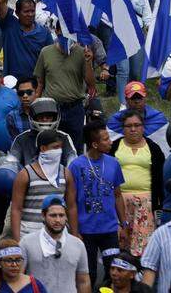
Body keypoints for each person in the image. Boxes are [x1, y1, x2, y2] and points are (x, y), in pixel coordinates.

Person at [69, 121, 127, 282]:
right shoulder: (75, 166)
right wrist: (74, 232)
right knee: (89, 274)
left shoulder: (113, 163)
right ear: (94, 144)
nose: (110, 142)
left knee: (113, 272)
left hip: (109, 231)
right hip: (86, 232)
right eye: (106, 139)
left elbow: (117, 195)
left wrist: (124, 225)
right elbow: (71, 202)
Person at [109, 110, 164, 257]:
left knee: (142, 249)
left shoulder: (153, 148)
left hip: (145, 205)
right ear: (123, 128)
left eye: (137, 125)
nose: (133, 129)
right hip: (118, 203)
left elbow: (160, 178)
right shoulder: (113, 147)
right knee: (119, 245)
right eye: (128, 126)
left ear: (143, 127)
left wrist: (159, 204)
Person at [6, 129, 78, 241]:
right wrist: (17, 240)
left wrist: (74, 235)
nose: (58, 151)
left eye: (60, 148)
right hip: (29, 236)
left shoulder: (66, 174)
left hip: (59, 237)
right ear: (43, 148)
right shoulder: (25, 175)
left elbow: (71, 207)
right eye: (55, 147)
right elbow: (16, 208)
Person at [34, 36, 95, 150]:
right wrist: (35, 103)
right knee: (50, 145)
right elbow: (40, 82)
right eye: (64, 30)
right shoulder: (45, 52)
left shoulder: (83, 52)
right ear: (57, 31)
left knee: (75, 147)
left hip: (74, 108)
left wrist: (88, 62)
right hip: (51, 109)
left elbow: (91, 84)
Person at [21, 195, 91, 293]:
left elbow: (83, 281)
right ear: (43, 215)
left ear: (66, 217)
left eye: (61, 215)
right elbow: (17, 278)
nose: (58, 220)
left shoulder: (78, 245)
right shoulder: (26, 242)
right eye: (53, 215)